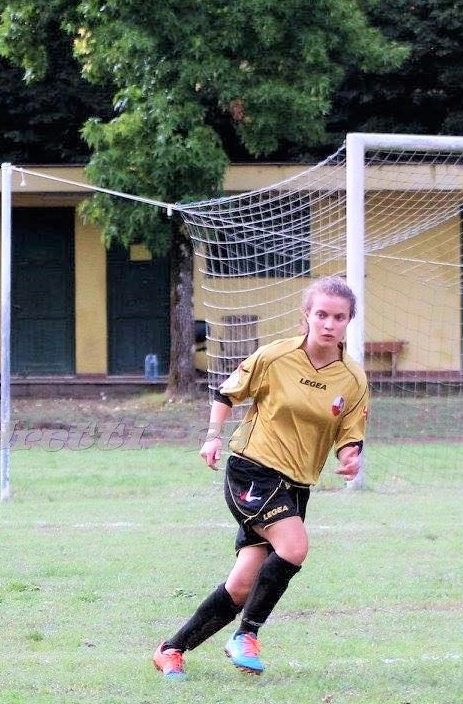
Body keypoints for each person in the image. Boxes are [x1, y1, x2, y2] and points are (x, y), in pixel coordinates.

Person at [152, 275, 369, 680]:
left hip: (297, 485)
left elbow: (349, 433)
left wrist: (350, 457)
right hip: (252, 470)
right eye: (321, 314)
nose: (328, 324)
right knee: (295, 546)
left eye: (338, 317)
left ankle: (171, 649)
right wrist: (213, 438)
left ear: (348, 322)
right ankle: (245, 636)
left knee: (240, 586)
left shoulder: (353, 379)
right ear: (306, 315)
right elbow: (225, 394)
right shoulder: (275, 356)